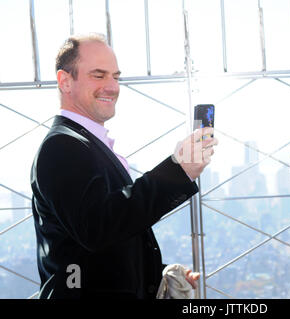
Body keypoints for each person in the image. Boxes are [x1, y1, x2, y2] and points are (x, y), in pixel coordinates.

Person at [30, 33, 218, 299]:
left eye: (115, 76)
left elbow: (104, 245)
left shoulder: (85, 144)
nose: (112, 86)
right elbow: (98, 228)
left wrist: (158, 274)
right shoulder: (61, 146)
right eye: (98, 75)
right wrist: (178, 170)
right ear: (65, 81)